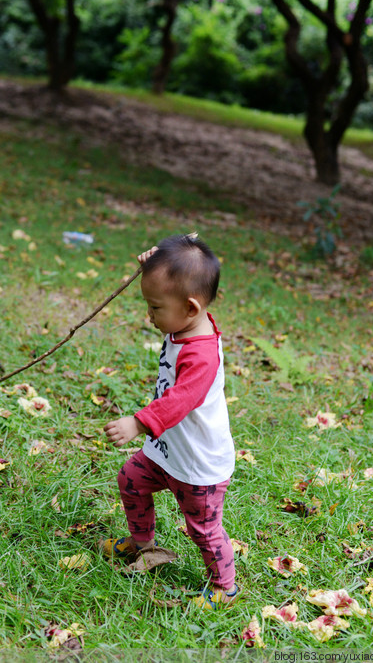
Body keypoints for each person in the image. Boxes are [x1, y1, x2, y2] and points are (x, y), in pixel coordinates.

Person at [102, 234, 237, 610]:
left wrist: (139, 423)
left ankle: (224, 585)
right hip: (168, 452)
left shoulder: (202, 355)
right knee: (131, 479)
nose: (149, 314)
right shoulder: (185, 323)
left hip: (198, 466)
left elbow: (180, 400)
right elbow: (181, 266)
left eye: (155, 307)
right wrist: (155, 260)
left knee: (204, 530)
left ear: (191, 308)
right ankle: (142, 545)